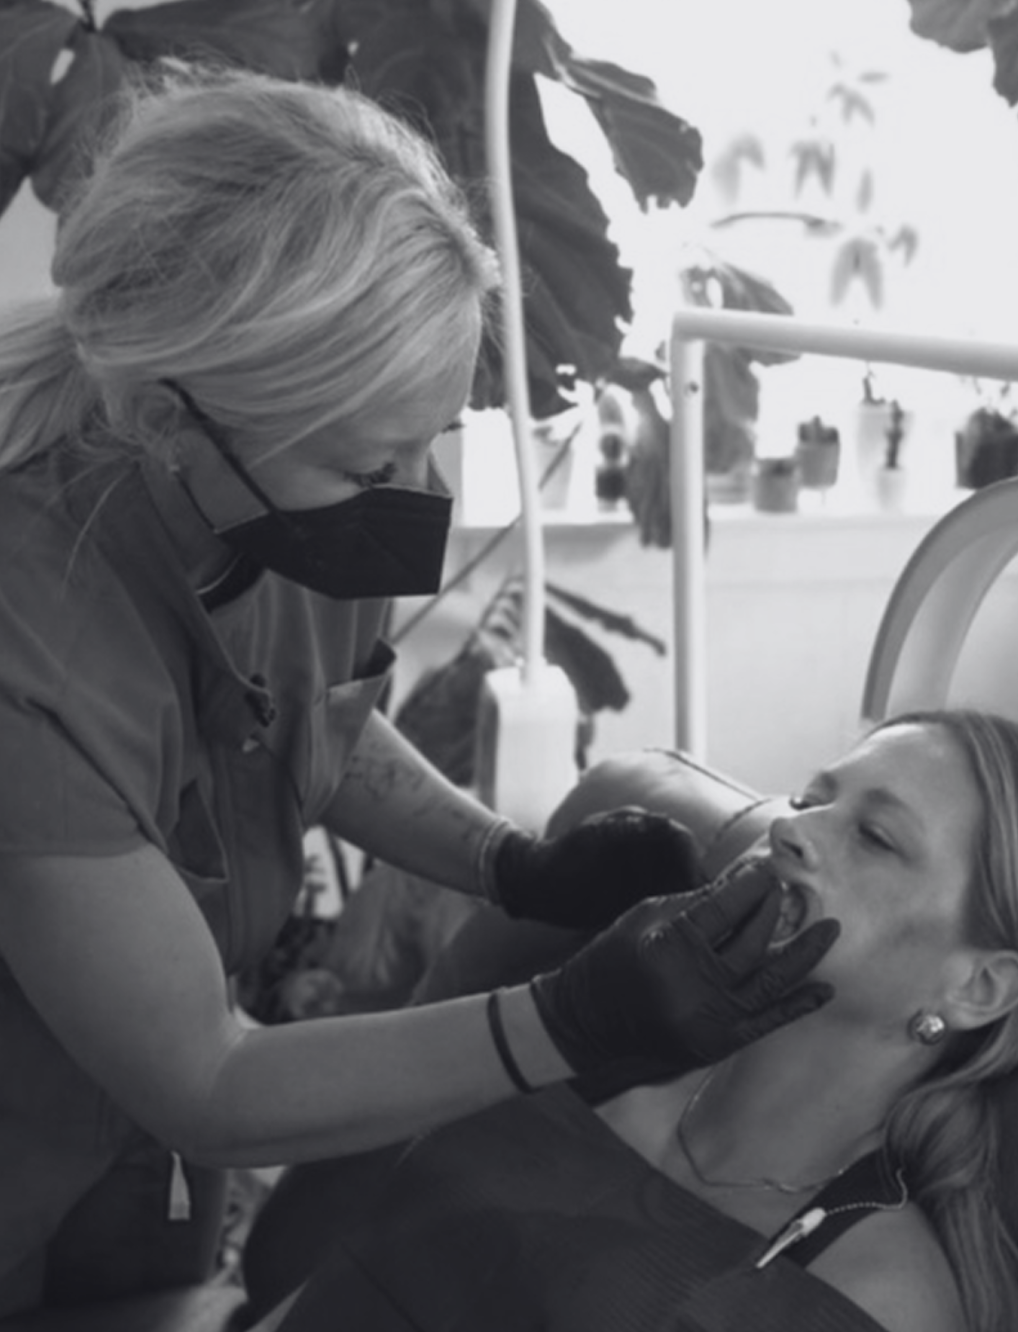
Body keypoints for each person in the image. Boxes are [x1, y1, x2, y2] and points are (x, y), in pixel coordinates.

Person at [0, 66, 838, 1317]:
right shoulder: (29, 643)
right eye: (365, 467)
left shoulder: (275, 502)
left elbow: (308, 719)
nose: (411, 497)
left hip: (139, 1148)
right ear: (167, 422)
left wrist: (511, 865)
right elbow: (208, 1083)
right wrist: (568, 1018)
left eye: (432, 439)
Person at [241, 708, 1018, 1332]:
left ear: (979, 986)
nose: (791, 829)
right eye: (811, 800)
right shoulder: (588, 1042)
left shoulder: (878, 1295)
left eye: (875, 837)